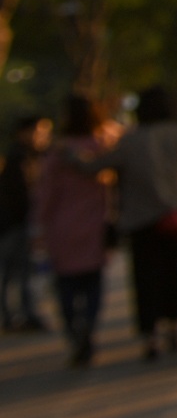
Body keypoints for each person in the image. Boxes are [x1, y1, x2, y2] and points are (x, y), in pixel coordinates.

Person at [105, 85, 177, 359]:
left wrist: (72, 156)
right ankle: (175, 325)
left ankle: (151, 335)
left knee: (145, 276)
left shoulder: (130, 140)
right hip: (176, 216)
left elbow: (99, 165)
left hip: (140, 219)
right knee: (173, 271)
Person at [38, 96, 113, 366]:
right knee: (93, 283)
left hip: (62, 228)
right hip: (95, 225)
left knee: (66, 286)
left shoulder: (58, 153)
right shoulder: (102, 146)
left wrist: (39, 226)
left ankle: (74, 329)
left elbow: (46, 194)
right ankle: (89, 329)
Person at [0, 114, 52, 332]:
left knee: (15, 275)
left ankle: (14, 316)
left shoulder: (27, 157)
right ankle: (21, 315)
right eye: (39, 132)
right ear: (24, 132)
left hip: (15, 225)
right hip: (14, 226)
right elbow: (21, 197)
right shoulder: (18, 159)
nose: (43, 137)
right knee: (18, 274)